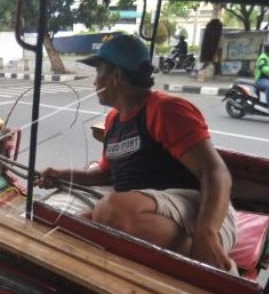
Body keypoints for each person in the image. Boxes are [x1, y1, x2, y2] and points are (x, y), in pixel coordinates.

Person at [38, 34, 237, 272]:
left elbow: (215, 171)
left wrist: (207, 233)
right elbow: (107, 173)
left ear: (116, 76)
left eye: (98, 71)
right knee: (69, 228)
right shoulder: (113, 121)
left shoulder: (165, 110)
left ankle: (212, 261)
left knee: (110, 211)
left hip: (200, 216)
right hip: (148, 214)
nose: (94, 82)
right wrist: (61, 174)